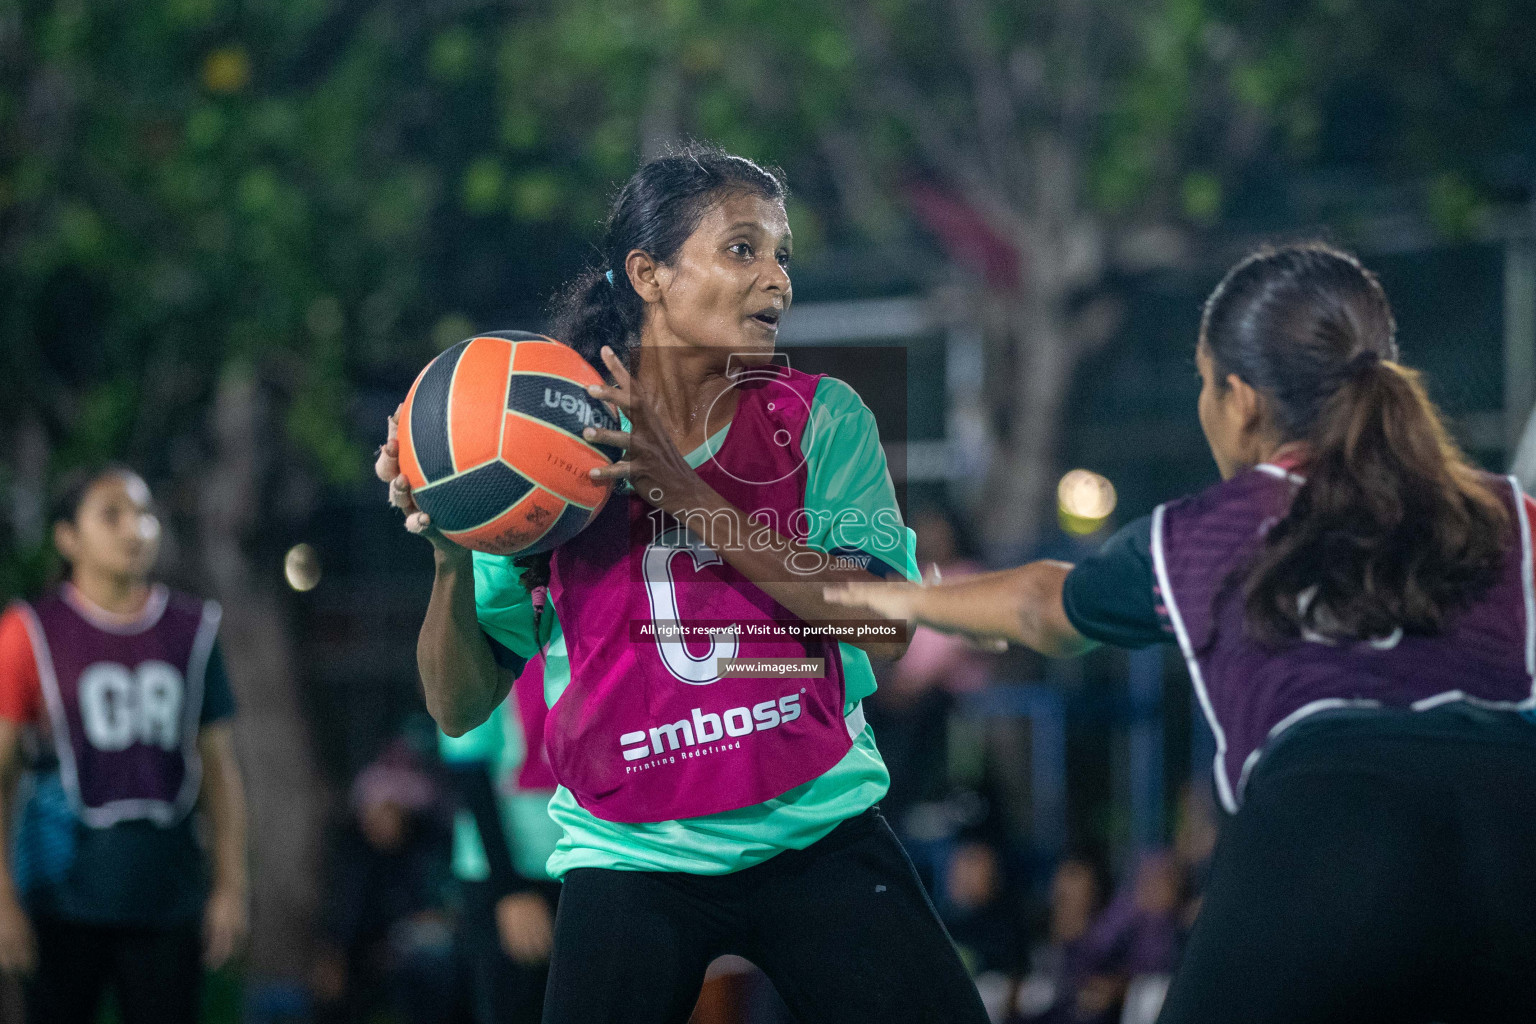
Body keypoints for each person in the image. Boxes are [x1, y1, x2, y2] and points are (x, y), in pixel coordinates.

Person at [827, 243, 1536, 1023]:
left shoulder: (1215, 528)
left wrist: (901, 601)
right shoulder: (1511, 514)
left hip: (1328, 826)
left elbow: (1041, 605)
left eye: (1203, 382)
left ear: (1240, 400)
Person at [377, 144, 988, 1024]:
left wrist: (691, 497)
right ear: (649, 273)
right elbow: (457, 707)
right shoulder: (551, 458)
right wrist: (446, 555)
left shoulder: (819, 417)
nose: (775, 278)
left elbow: (887, 629)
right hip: (630, 854)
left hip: (812, 823)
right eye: (743, 249)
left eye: (781, 255)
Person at [0, 465, 248, 1024]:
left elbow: (219, 769)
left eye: (143, 513)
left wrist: (231, 888)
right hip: (59, 893)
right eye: (112, 514)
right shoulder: (29, 631)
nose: (134, 528)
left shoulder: (193, 628)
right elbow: (2, 773)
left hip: (167, 890)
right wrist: (2, 899)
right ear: (68, 537)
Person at [439, 653, 563, 1024]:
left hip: (595, 859)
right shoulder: (487, 635)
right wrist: (509, 890)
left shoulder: (596, 625)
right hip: (509, 867)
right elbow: (470, 772)